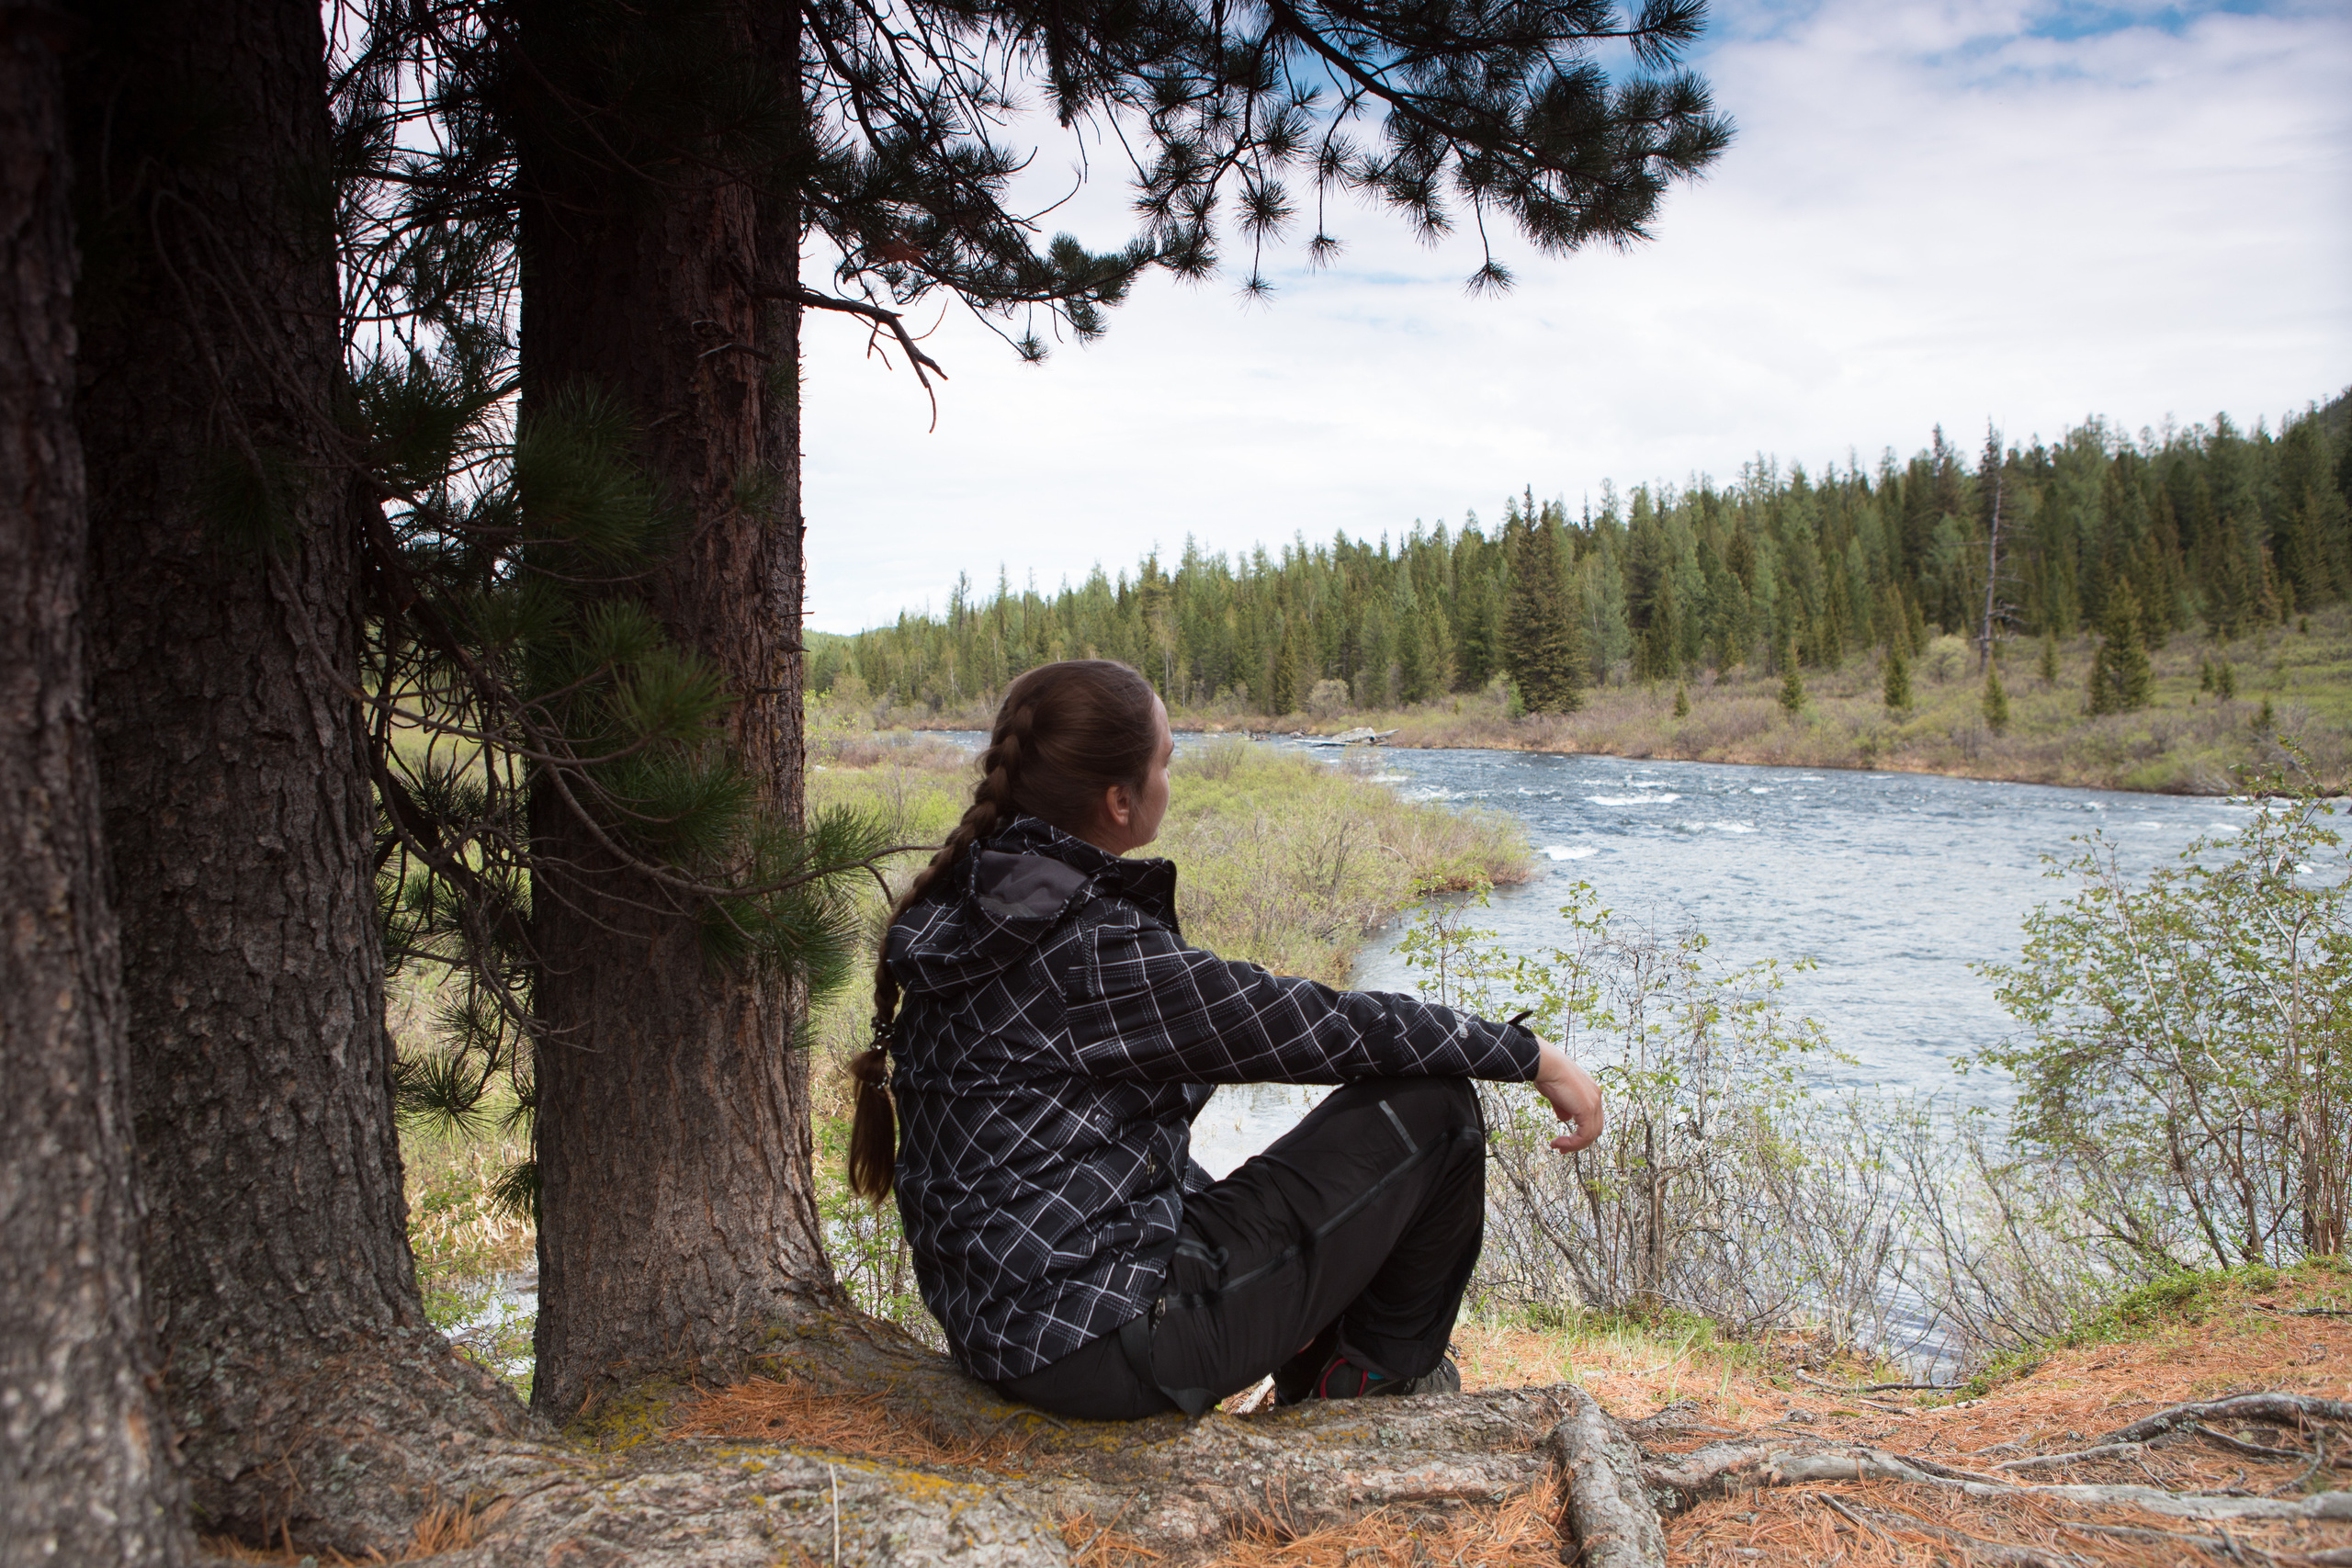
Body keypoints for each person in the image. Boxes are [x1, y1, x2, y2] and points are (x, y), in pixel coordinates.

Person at [848, 659, 1602, 1420]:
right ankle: (1370, 1376)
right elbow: (1318, 1026)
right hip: (1098, 1344)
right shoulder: (1087, 947)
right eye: (1166, 761)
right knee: (1438, 1111)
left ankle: (1318, 1346)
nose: (1172, 777)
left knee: (1217, 1178)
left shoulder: (979, 902)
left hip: (1009, 1330)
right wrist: (1529, 1055)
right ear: (1118, 800)